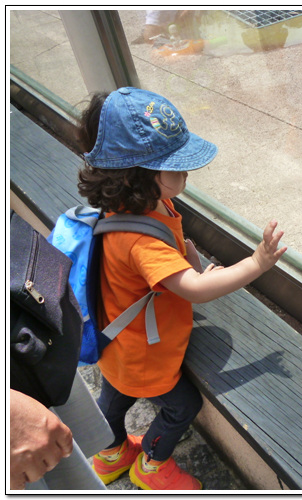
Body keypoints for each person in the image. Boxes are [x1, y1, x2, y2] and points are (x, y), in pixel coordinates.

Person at [76, 87, 287, 490]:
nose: (186, 174)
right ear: (141, 175)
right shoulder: (141, 242)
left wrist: (186, 255)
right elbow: (194, 290)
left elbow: (164, 260)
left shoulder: (133, 207)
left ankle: (110, 454)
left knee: (116, 394)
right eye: (175, 165)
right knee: (181, 407)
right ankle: (151, 465)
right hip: (143, 351)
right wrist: (256, 262)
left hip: (116, 340)